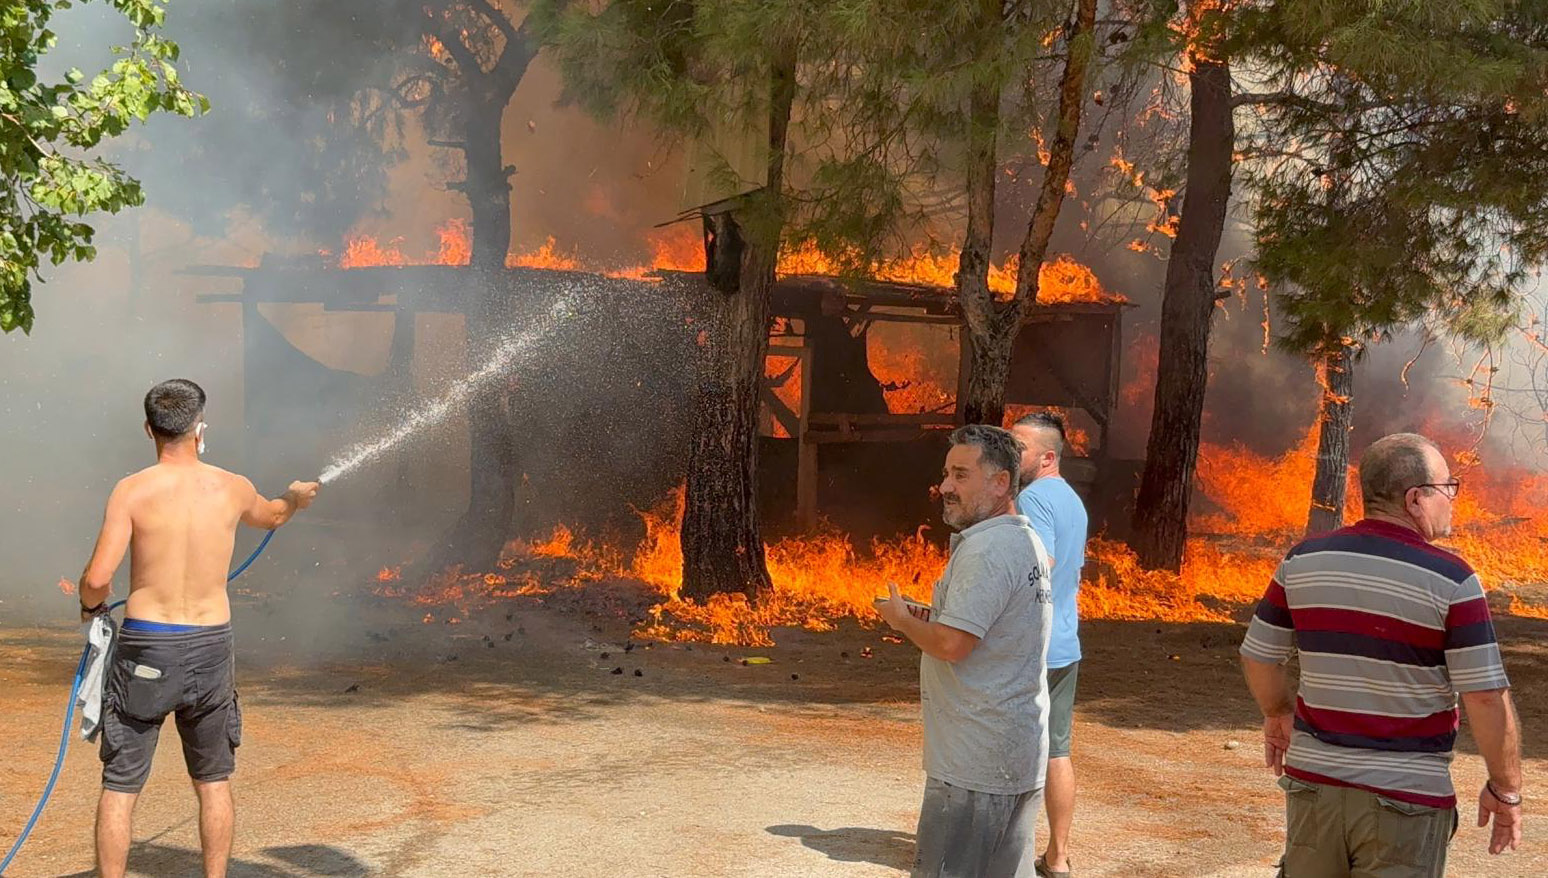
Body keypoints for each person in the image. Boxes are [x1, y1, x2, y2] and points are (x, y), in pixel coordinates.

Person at [1240, 433, 1523, 878]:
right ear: (1416, 498)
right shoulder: (1453, 580)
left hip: (1314, 789)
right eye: (1448, 488)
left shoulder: (1302, 560)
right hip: (1405, 805)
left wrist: (1277, 713)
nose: (1453, 499)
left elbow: (1259, 655)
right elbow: (1486, 697)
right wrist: (1505, 790)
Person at [75, 379, 319, 878]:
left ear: (150, 429)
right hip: (211, 645)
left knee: (120, 785)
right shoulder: (233, 487)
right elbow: (273, 515)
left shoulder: (132, 490)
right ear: (200, 429)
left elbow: (98, 580)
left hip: (147, 645)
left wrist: (89, 606)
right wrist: (294, 498)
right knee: (213, 781)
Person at [878, 424, 1053, 878]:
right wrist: (927, 617)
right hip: (1006, 756)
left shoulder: (990, 550)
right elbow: (980, 630)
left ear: (1000, 483)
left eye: (961, 475)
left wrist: (901, 620)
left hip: (976, 766)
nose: (945, 488)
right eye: (945, 475)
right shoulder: (1022, 539)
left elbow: (954, 645)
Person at [1009, 413, 1088, 878]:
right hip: (1064, 642)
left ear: (1047, 456)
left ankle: (1009, 856)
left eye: (1018, 446)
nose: (1010, 452)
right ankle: (1057, 858)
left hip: (1032, 646)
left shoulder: (1034, 496)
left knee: (1011, 750)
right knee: (1057, 751)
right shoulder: (1071, 500)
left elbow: (1043, 562)